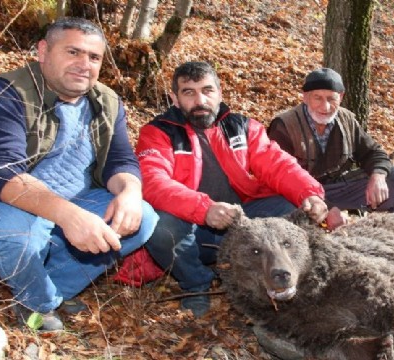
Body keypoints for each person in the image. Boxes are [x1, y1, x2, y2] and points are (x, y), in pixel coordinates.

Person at [0, 17, 158, 331]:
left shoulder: (107, 101)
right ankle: (40, 303)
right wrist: (70, 216)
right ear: (43, 51)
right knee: (14, 237)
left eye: (94, 57)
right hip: (1, 207)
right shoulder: (5, 92)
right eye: (73, 52)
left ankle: (42, 291)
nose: (84, 64)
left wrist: (130, 191)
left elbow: (119, 159)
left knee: (143, 217)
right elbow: (2, 174)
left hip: (73, 205)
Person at [135, 61, 328, 317]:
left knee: (293, 208)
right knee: (158, 225)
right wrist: (203, 208)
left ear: (220, 92)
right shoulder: (158, 133)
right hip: (192, 233)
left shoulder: (241, 127)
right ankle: (196, 285)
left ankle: (282, 276)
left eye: (207, 90)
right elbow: (153, 181)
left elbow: (277, 164)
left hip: (244, 226)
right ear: (175, 98)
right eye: (189, 92)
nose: (200, 100)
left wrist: (309, 192)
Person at [268, 67, 394, 228]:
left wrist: (378, 175)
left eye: (331, 99)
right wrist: (328, 208)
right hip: (301, 194)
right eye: (317, 98)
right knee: (282, 204)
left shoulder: (346, 119)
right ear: (305, 97)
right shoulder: (285, 125)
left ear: (340, 97)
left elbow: (373, 152)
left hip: (341, 188)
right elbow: (282, 177)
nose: (325, 106)